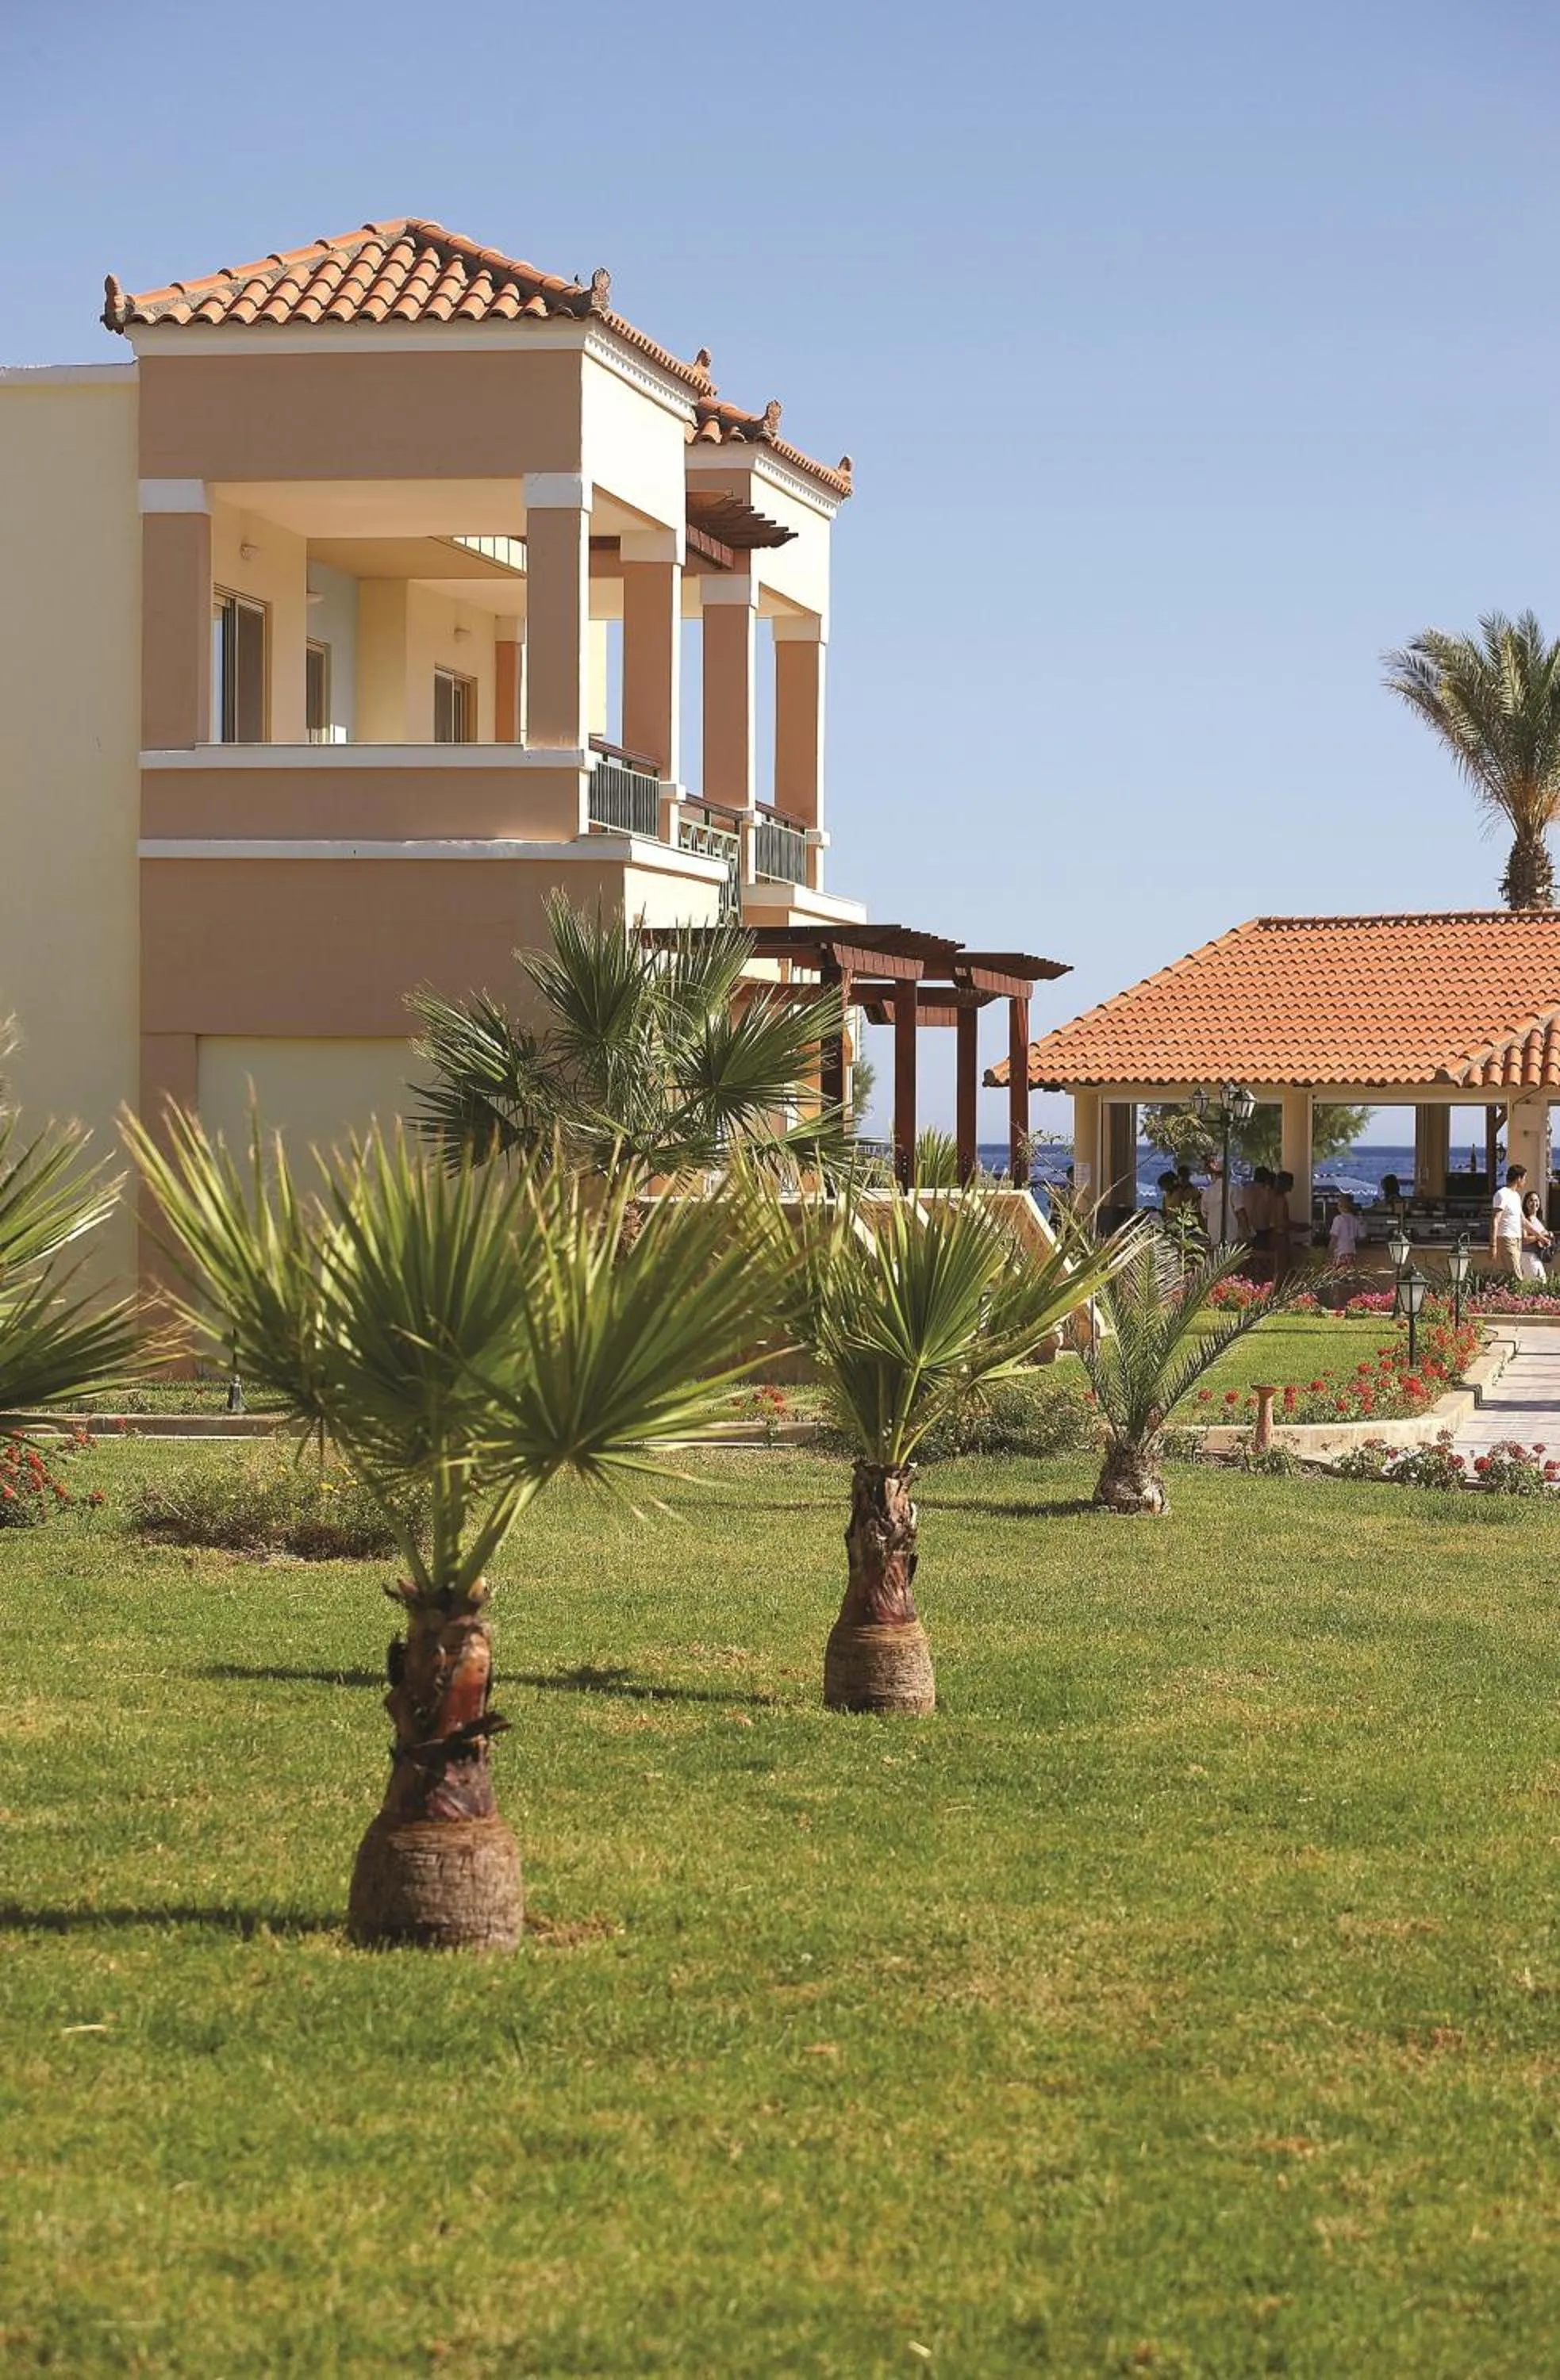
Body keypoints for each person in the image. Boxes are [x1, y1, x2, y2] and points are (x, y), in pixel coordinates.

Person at [1492, 1162, 1527, 1278]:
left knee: (1514, 1274)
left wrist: (1541, 1237)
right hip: (1506, 1238)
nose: (1525, 1182)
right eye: (1524, 1178)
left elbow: (1523, 1221)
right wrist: (1493, 1245)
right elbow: (1495, 1220)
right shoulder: (1502, 1194)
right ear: (1518, 1178)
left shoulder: (1516, 1196)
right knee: (1517, 1276)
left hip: (1517, 1240)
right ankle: (1522, 1296)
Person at [1520, 1188, 1554, 1281]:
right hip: (1528, 1256)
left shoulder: (1538, 1220)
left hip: (1537, 1256)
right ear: (1526, 1204)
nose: (1534, 1203)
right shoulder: (1525, 1221)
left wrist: (1548, 1238)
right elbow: (1524, 1240)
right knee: (1540, 1283)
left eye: (1536, 1200)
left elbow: (1542, 1240)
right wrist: (1541, 1236)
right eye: (1531, 1200)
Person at [1328, 1192, 1364, 1268]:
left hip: (1341, 1254)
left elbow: (1334, 1238)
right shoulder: (1355, 1220)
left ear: (1340, 1205)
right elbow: (1361, 1237)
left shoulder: (1338, 1219)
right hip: (1352, 1253)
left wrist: (1329, 1252)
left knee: (1339, 1277)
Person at [1201, 1156, 1228, 1244]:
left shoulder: (1207, 1193)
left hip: (1214, 1236)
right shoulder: (1234, 1189)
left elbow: (1205, 1217)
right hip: (1232, 1237)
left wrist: (1207, 1234)